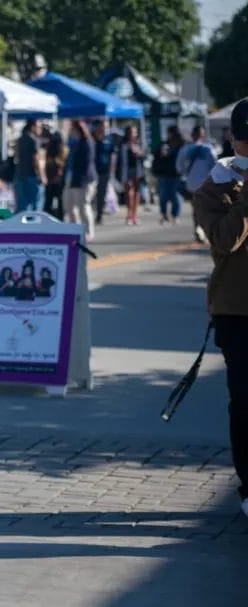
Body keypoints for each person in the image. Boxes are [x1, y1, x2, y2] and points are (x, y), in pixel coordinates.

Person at [192, 97, 248, 521]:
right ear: (231, 138)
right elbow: (225, 241)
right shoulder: (215, 188)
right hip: (237, 310)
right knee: (244, 402)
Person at [178, 125, 218, 244]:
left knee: (196, 208)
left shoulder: (186, 149)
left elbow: (179, 166)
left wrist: (186, 175)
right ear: (202, 135)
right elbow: (215, 166)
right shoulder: (209, 149)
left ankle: (198, 229)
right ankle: (202, 230)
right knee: (205, 208)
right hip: (205, 184)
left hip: (191, 184)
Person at [62, 120, 98, 241]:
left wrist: (84, 181)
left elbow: (87, 164)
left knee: (83, 206)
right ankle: (75, 230)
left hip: (83, 179)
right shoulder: (74, 143)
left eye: (72, 129)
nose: (71, 132)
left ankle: (88, 232)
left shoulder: (87, 143)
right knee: (69, 205)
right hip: (71, 177)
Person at [153, 125, 186, 224]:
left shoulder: (181, 145)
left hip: (176, 174)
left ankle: (175, 215)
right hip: (163, 174)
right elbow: (157, 156)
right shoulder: (164, 144)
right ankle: (164, 214)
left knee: (176, 196)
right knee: (163, 196)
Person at [14, 120, 46, 213]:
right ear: (33, 127)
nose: (40, 130)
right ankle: (35, 226)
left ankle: (20, 226)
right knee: (36, 204)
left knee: (22, 205)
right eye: (39, 127)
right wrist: (43, 176)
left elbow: (16, 156)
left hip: (20, 174)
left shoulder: (20, 139)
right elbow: (37, 159)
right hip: (32, 175)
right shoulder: (34, 140)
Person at [117, 125, 145, 226]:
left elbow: (143, 154)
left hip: (137, 170)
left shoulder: (138, 143)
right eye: (130, 132)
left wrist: (139, 153)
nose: (132, 134)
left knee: (137, 192)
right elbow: (119, 159)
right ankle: (129, 215)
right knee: (129, 193)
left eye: (134, 132)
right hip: (127, 170)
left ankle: (135, 215)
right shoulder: (123, 144)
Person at [92, 121, 116, 224]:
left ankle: (99, 215)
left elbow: (113, 154)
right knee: (91, 194)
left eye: (105, 126)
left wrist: (112, 168)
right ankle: (88, 213)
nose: (104, 128)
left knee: (101, 193)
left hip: (104, 171)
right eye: (102, 126)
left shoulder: (109, 139)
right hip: (92, 171)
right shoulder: (92, 137)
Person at [43, 130, 67, 220]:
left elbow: (47, 164)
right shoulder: (64, 150)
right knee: (60, 202)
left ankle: (47, 219)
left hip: (51, 179)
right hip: (59, 180)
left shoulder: (49, 150)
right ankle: (60, 219)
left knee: (48, 201)